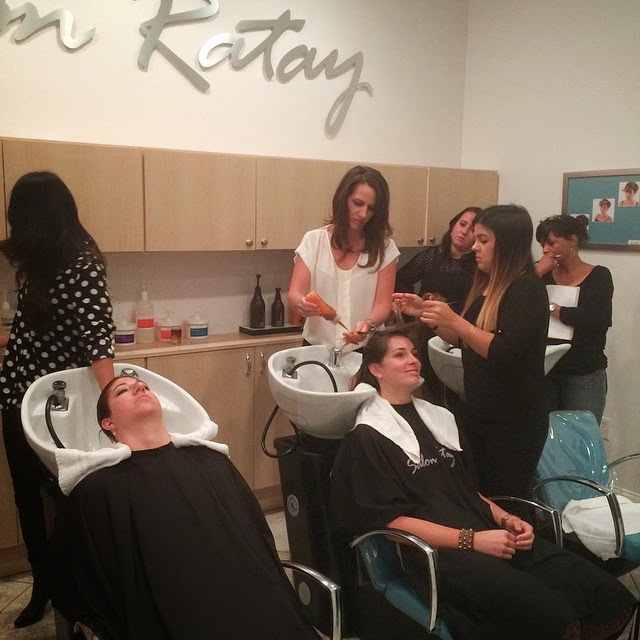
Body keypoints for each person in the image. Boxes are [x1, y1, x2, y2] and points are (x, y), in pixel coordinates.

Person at [330, 327, 636, 640]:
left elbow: (466, 491)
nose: (414, 360)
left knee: (606, 596)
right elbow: (391, 523)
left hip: (489, 534)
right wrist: (472, 540)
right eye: (400, 355)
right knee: (555, 615)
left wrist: (507, 519)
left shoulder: (439, 419)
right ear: (376, 369)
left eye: (414, 353)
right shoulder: (368, 435)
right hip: (441, 556)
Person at [49, 375, 322, 640]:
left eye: (143, 386)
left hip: (258, 608)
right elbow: (69, 576)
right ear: (108, 423)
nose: (139, 388)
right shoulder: (97, 489)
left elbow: (259, 539)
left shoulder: (213, 462)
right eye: (122, 390)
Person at [0, 171, 115, 628]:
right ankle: (43, 584)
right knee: (27, 499)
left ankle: (76, 591)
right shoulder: (38, 263)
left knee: (68, 499)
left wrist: (113, 403)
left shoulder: (83, 266)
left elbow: (98, 339)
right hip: (17, 397)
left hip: (58, 408)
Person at [394, 205, 549, 498]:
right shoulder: (489, 287)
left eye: (483, 240)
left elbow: (504, 351)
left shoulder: (527, 289)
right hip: (480, 411)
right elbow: (464, 340)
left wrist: (455, 320)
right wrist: (426, 313)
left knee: (506, 501)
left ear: (507, 244)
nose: (475, 246)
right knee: (479, 497)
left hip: (514, 421)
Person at [288, 165, 399, 349]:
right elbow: (294, 293)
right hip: (317, 349)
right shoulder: (314, 241)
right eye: (357, 203)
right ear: (343, 198)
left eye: (371, 208)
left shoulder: (385, 249)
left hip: (366, 349)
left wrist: (369, 323)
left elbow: (383, 305)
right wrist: (301, 303)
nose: (363, 214)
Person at [395, 206, 481, 403]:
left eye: (472, 230)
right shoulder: (431, 256)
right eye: (462, 224)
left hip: (460, 333)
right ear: (453, 226)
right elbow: (401, 279)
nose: (464, 231)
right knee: (428, 390)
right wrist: (411, 309)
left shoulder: (479, 266)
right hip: (425, 331)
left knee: (456, 393)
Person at [535, 214, 613, 425]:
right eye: (542, 245)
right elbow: (517, 305)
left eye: (551, 243)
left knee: (581, 435)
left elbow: (596, 319)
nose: (545, 250)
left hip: (583, 371)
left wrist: (554, 309)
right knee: (545, 435)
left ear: (573, 239)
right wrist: (537, 273)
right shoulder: (540, 274)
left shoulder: (599, 276)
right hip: (546, 369)